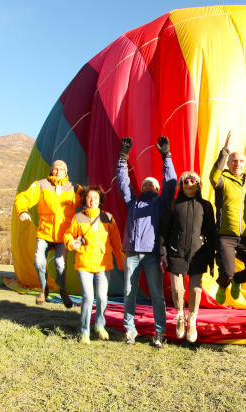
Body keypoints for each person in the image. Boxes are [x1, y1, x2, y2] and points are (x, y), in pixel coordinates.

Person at [116, 136, 177, 348]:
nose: (148, 185)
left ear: (157, 189)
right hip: (132, 253)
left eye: (152, 184)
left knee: (157, 295)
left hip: (152, 254)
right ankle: (130, 330)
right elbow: (123, 183)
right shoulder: (133, 202)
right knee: (129, 293)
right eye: (145, 184)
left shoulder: (161, 203)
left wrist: (166, 157)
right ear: (141, 188)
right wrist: (123, 158)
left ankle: (160, 332)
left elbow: (171, 183)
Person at [64, 185, 125, 344]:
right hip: (84, 263)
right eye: (90, 198)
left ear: (100, 200)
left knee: (102, 297)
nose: (93, 200)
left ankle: (99, 325)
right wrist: (71, 243)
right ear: (85, 199)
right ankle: (84, 331)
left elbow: (116, 242)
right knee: (88, 297)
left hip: (103, 265)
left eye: (96, 198)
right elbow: (69, 234)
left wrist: (121, 262)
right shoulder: (78, 218)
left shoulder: (108, 218)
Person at [14, 159, 79, 307]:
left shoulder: (74, 188)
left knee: (60, 263)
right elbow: (24, 197)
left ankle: (62, 290)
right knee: (38, 262)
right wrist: (22, 210)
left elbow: (90, 198)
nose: (58, 172)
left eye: (61, 169)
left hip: (63, 234)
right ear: (51, 170)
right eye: (56, 169)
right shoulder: (41, 185)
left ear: (66, 172)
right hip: (45, 232)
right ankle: (44, 289)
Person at [161, 171, 216, 343]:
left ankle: (192, 320)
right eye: (186, 181)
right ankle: (180, 318)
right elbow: (164, 230)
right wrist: (163, 252)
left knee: (195, 289)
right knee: (177, 289)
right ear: (181, 185)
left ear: (198, 185)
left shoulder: (206, 206)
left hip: (198, 253)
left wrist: (211, 258)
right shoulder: (174, 204)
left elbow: (211, 233)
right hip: (176, 252)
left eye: (193, 181)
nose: (189, 183)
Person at [209, 131, 246, 305]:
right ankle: (223, 284)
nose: (237, 164)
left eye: (240, 161)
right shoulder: (222, 179)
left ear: (245, 164)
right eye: (234, 161)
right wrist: (225, 151)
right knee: (227, 271)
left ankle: (237, 281)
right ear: (229, 163)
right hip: (226, 235)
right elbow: (213, 176)